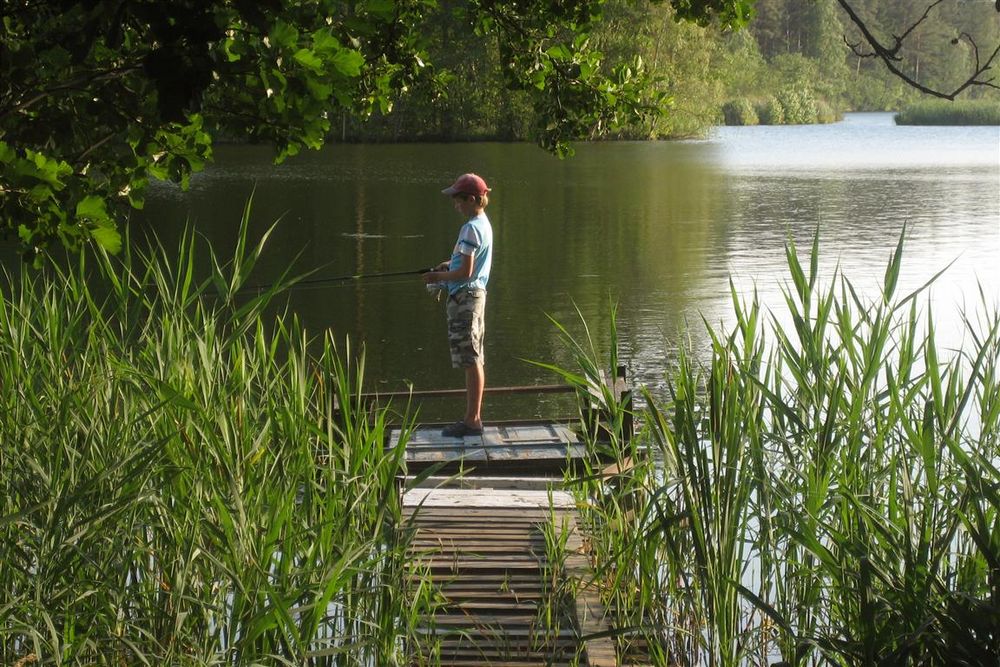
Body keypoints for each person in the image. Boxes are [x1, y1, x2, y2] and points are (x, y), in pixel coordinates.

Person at [422, 173, 493, 437]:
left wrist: (438, 277)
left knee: (470, 359)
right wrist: (447, 266)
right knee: (473, 358)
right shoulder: (483, 224)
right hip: (474, 297)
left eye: (459, 200)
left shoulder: (471, 228)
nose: (456, 205)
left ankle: (472, 420)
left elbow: (465, 272)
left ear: (473, 199)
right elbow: (465, 266)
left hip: (466, 300)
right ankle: (472, 418)